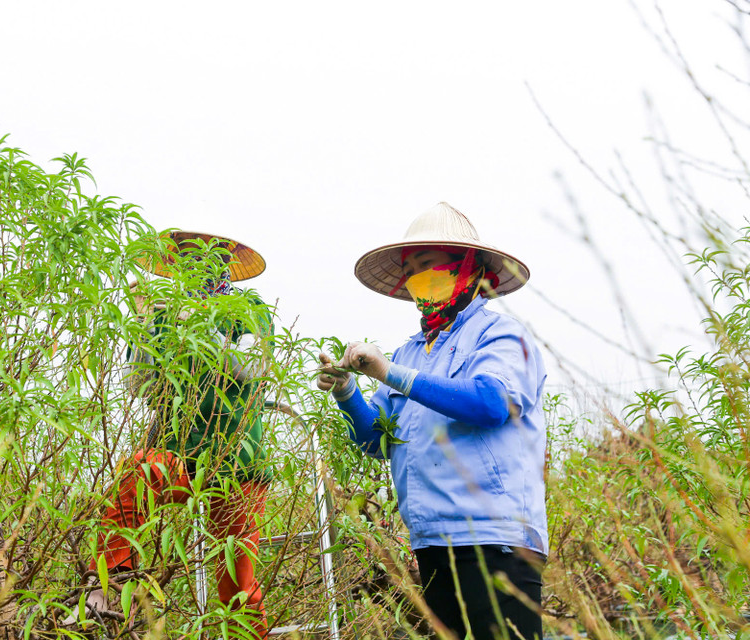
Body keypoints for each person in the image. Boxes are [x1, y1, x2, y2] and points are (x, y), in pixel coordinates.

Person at [317, 202, 547, 640]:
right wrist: (348, 393)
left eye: (430, 265)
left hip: (496, 540)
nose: (420, 277)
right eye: (413, 269)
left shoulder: (500, 335)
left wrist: (388, 373)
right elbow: (374, 440)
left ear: (467, 267)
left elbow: (491, 402)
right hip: (433, 543)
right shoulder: (411, 353)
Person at [88, 230, 274, 638]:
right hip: (179, 458)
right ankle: (109, 587)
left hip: (236, 464)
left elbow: (250, 365)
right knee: (137, 471)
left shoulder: (250, 308)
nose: (195, 263)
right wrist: (141, 326)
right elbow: (138, 385)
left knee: (237, 586)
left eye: (205, 254)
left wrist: (199, 324)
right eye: (185, 255)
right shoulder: (162, 313)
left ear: (225, 259)